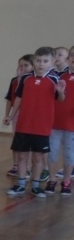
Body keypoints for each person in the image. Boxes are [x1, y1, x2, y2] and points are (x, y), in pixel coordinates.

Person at [4, 47, 66, 197]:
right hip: (24, 124)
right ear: (34, 61)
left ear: (52, 62)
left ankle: (36, 185)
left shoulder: (55, 79)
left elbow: (60, 100)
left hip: (42, 126)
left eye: (45, 61)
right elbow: (18, 98)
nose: (41, 64)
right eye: (38, 60)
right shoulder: (26, 79)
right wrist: (11, 116)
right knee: (22, 156)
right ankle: (20, 184)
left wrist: (60, 92)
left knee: (38, 157)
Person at [46, 46, 74, 195]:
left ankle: (67, 181)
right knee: (52, 153)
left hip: (72, 124)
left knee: (70, 155)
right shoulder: (58, 76)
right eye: (72, 55)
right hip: (55, 122)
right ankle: (52, 180)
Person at [4, 54, 34, 177]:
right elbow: (10, 99)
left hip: (29, 114)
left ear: (33, 66)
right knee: (17, 141)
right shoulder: (14, 81)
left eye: (26, 65)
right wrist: (7, 115)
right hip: (17, 114)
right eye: (20, 66)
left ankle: (28, 167)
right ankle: (16, 165)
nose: (22, 68)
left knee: (29, 142)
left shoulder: (33, 80)